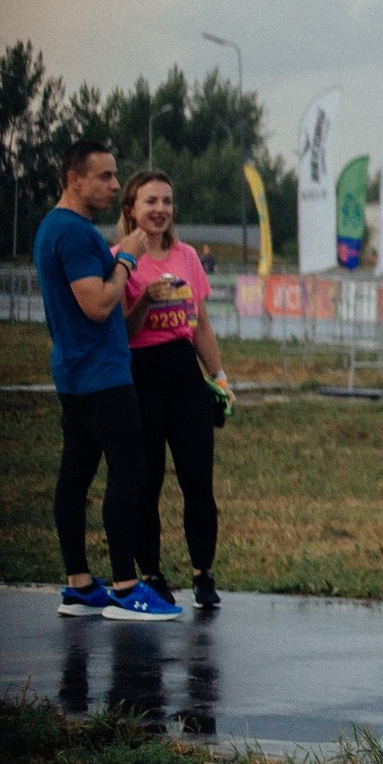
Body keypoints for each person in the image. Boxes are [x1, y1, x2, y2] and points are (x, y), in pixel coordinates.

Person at [37, 140, 179, 619]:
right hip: (101, 374)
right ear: (74, 179)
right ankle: (124, 586)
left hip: (75, 372)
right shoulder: (75, 233)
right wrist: (128, 259)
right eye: (105, 176)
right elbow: (97, 304)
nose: (116, 185)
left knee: (76, 474)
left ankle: (79, 583)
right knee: (130, 470)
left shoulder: (53, 228)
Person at [118, 169, 234, 610]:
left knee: (198, 482)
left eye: (166, 201)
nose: (160, 209)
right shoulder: (119, 258)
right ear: (131, 208)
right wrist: (145, 300)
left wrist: (219, 378)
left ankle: (203, 573)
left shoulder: (187, 256)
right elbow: (120, 334)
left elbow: (201, 325)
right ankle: (151, 574)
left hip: (185, 378)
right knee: (146, 483)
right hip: (140, 376)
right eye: (150, 202)